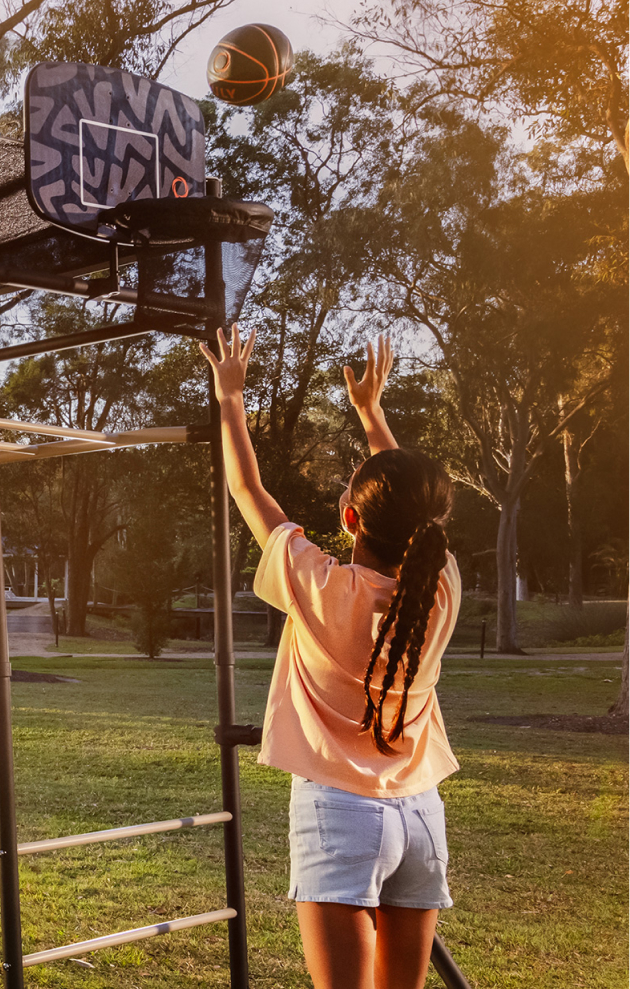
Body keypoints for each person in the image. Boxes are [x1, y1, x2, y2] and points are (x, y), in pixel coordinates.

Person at [202, 329, 459, 989]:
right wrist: (373, 416)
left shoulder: (321, 586)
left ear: (350, 517)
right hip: (420, 812)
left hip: (341, 812)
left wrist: (230, 397)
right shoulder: (443, 585)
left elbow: (247, 490)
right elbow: (407, 502)